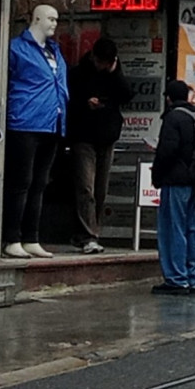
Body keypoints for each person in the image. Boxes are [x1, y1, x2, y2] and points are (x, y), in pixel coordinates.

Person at [3, 4, 68, 259]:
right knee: (21, 181)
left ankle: (31, 237)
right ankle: (12, 237)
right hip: (24, 122)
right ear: (37, 18)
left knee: (40, 183)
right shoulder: (16, 48)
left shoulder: (54, 51)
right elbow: (5, 81)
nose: (54, 23)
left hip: (51, 123)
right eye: (50, 18)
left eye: (57, 19)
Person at [69, 36, 129, 254]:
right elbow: (69, 98)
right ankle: (88, 235)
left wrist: (114, 73)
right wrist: (86, 103)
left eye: (107, 63)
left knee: (100, 189)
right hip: (83, 135)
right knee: (86, 187)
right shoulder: (79, 73)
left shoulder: (114, 74)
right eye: (100, 62)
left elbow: (127, 95)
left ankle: (91, 230)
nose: (102, 66)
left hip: (107, 136)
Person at [150, 80, 195, 294]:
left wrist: (157, 176)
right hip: (193, 180)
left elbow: (167, 152)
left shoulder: (173, 118)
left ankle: (176, 279)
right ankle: (192, 278)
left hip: (175, 180)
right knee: (190, 228)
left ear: (169, 98)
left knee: (173, 229)